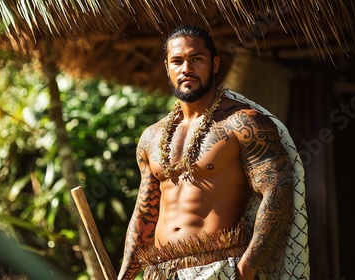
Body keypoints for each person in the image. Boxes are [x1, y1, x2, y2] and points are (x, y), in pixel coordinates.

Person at [117, 25, 309, 280]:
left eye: (196, 59)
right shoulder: (151, 137)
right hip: (159, 271)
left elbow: (278, 193)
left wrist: (245, 271)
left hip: (216, 268)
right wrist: (124, 276)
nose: (186, 69)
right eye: (177, 61)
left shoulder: (244, 123)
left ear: (215, 64)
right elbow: (143, 215)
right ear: (167, 68)